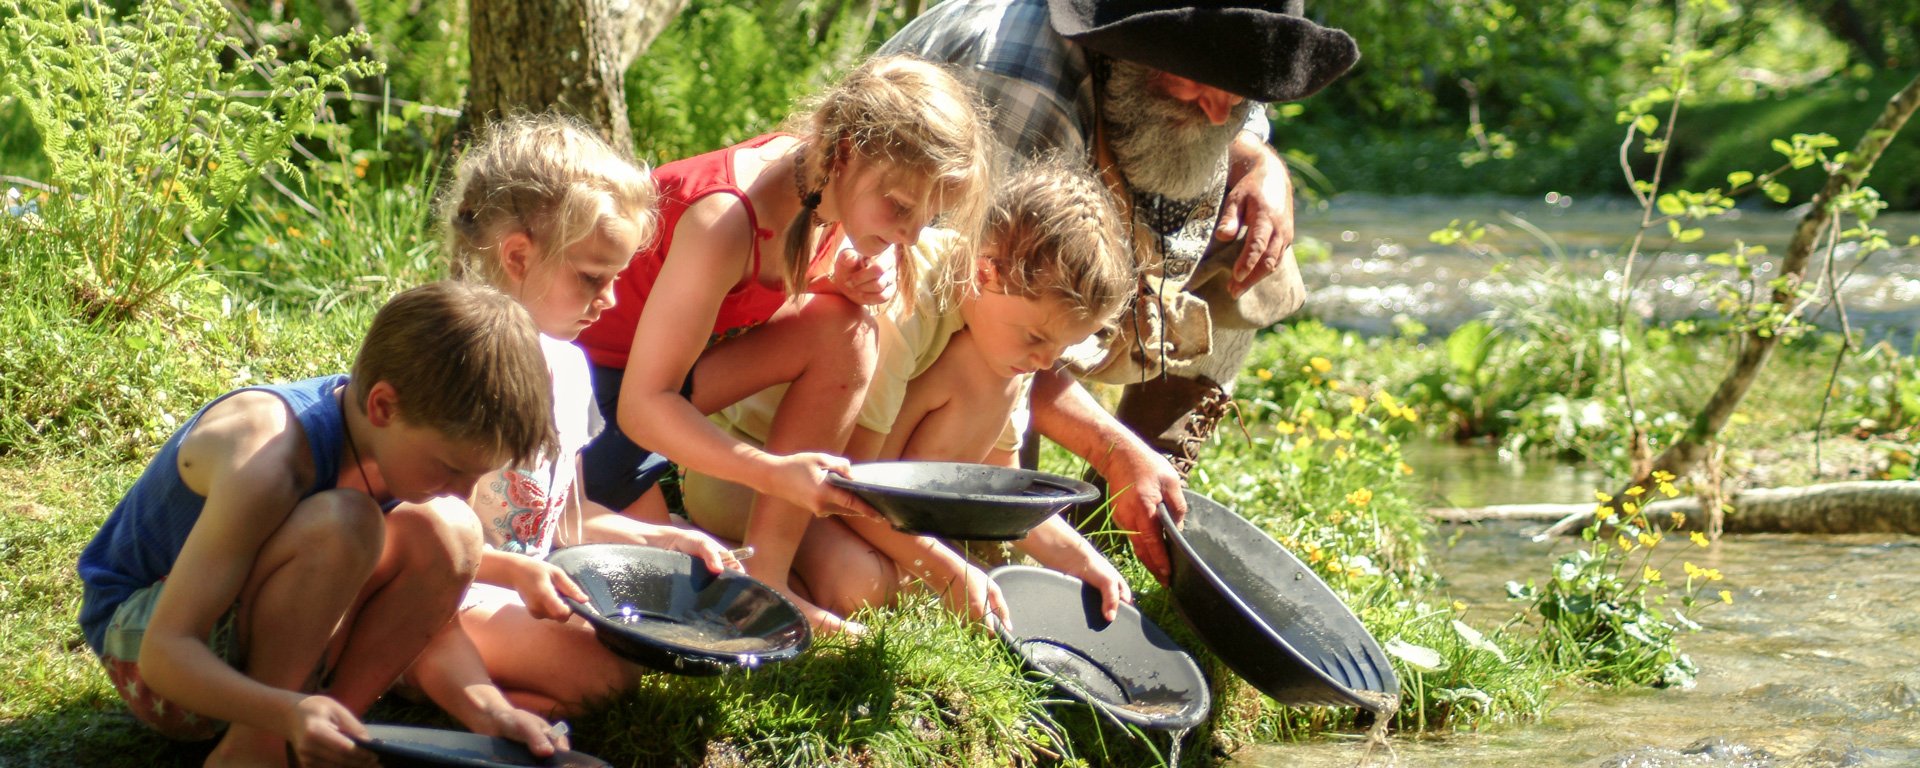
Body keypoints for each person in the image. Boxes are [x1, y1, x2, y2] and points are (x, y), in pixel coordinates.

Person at [881, 0, 1360, 580]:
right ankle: (1016, 489)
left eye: (1240, 91)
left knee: (1256, 240)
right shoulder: (1021, 89)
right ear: (1130, 48)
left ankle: (1142, 484)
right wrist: (1108, 446)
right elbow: (968, 307)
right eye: (1195, 84)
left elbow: (1234, 111)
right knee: (988, 534)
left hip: (1040, 279)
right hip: (915, 315)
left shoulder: (1207, 69)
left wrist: (1262, 164)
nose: (1218, 114)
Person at [572, 55, 993, 635]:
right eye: (899, 208)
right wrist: (770, 472)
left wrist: (833, 280)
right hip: (579, 408)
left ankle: (766, 576)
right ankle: (710, 558)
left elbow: (756, 296)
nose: (910, 236)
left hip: (644, 393)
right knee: (639, 593)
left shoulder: (820, 186)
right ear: (844, 151)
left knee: (847, 326)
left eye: (928, 217)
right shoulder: (724, 221)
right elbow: (644, 406)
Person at [75, 281, 559, 767]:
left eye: (479, 474)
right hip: (149, 651)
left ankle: (330, 740)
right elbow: (165, 652)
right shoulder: (268, 460)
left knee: (454, 531)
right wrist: (286, 712)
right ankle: (254, 751)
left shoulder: (395, 439)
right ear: (383, 406)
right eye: (452, 468)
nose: (464, 491)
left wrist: (491, 714)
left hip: (242, 646)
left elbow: (436, 621)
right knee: (347, 524)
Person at [680, 159, 1138, 626]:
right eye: (1037, 339)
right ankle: (715, 559)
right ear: (987, 273)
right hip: (753, 476)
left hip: (839, 489)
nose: (1045, 361)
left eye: (1061, 347)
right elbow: (855, 485)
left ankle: (872, 566)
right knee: (861, 588)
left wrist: (1082, 560)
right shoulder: (905, 303)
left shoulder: (1005, 343)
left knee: (989, 379)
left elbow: (1001, 478)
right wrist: (945, 570)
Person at [395, 115, 744, 719]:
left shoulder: (569, 367)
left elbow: (565, 521)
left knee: (617, 664)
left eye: (615, 280)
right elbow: (402, 529)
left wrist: (662, 539)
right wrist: (514, 576)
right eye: (591, 278)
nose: (608, 300)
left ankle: (482, 699)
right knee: (602, 675)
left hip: (521, 588)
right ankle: (414, 671)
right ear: (518, 256)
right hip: (439, 592)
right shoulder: (450, 365)